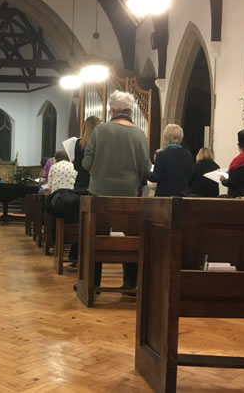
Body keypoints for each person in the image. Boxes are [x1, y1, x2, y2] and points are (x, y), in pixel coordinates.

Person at [83, 90, 150, 292]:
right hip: (129, 195)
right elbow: (145, 169)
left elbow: (86, 163)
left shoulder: (100, 131)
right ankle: (130, 283)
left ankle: (93, 284)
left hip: (99, 193)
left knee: (96, 236)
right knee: (131, 238)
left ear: (111, 110)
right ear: (130, 111)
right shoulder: (139, 134)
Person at [147, 124, 193, 197]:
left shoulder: (161, 155)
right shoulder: (188, 155)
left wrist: (145, 173)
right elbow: (190, 177)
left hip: (164, 196)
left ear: (166, 137)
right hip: (181, 196)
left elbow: (156, 177)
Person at [73, 116, 101, 192]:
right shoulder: (101, 143)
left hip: (82, 181)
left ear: (85, 127)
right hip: (97, 180)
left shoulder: (79, 143)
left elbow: (76, 166)